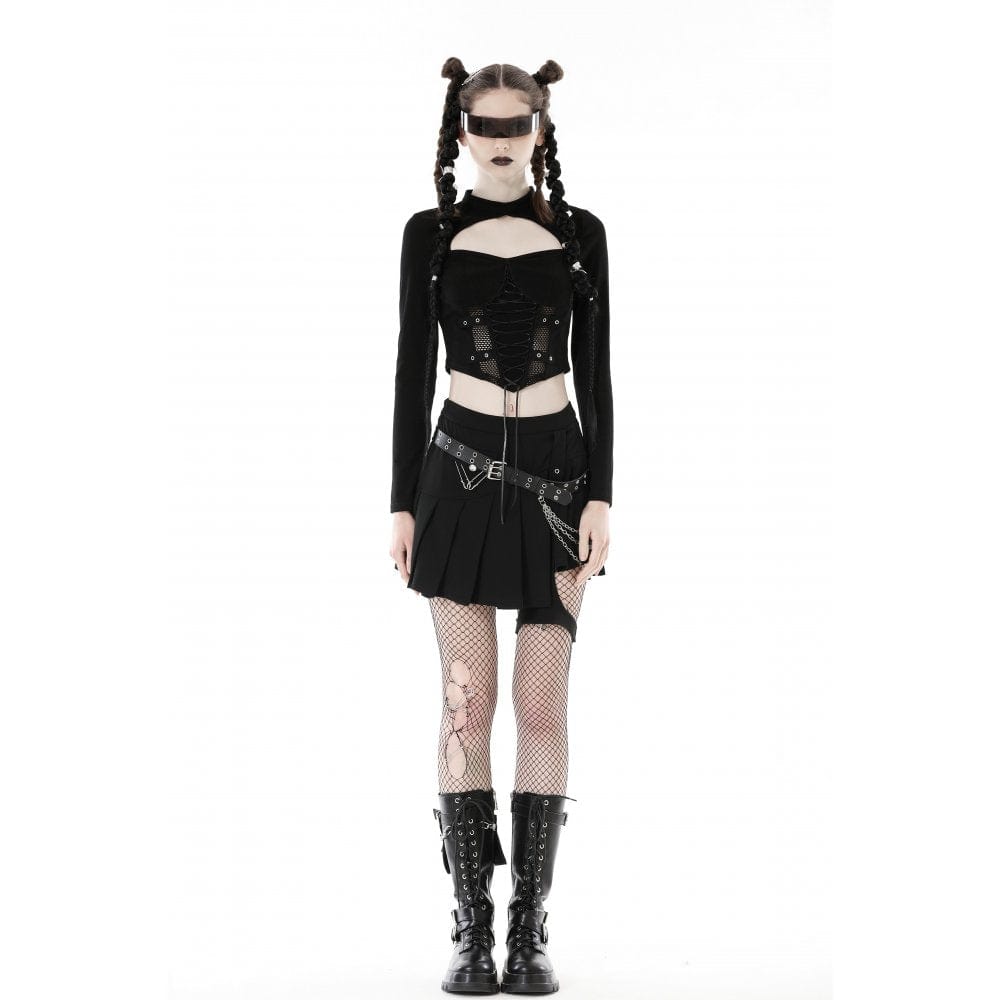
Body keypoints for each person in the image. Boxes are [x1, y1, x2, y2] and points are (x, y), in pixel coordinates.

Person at [388, 57, 614, 994]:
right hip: (456, 481)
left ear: (540, 130)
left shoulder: (582, 234)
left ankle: (530, 929)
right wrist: (402, 501)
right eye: (483, 124)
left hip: (559, 487)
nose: (500, 140)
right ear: (461, 130)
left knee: (542, 704)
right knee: (465, 699)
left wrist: (603, 494)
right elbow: (411, 369)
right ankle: (472, 928)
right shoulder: (431, 234)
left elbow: (598, 371)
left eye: (516, 124)